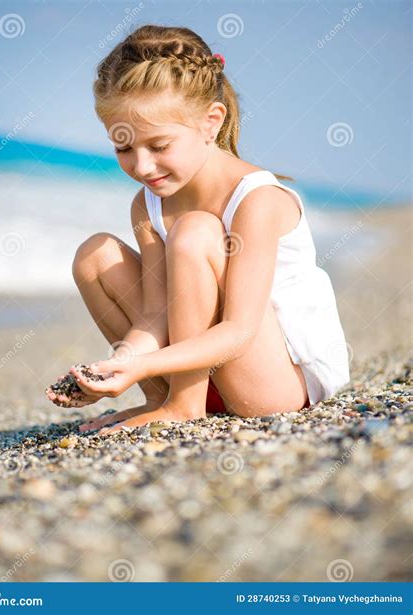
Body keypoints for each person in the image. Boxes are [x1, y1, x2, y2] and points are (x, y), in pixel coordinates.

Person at [46, 24, 350, 435]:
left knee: (195, 231)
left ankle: (183, 405)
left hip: (270, 385)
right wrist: (119, 365)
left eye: (158, 146)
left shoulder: (257, 200)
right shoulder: (149, 202)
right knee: (95, 254)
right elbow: (155, 313)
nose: (142, 167)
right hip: (199, 369)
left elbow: (239, 330)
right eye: (123, 147)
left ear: (211, 122)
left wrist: (144, 364)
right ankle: (164, 399)